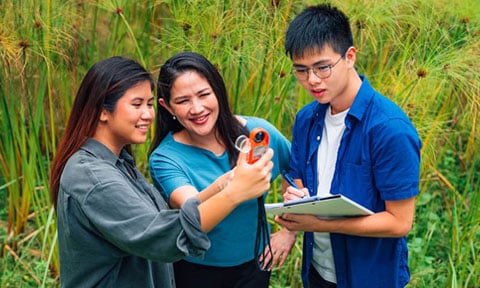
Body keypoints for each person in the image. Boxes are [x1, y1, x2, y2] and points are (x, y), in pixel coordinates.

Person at [49, 56, 275, 288]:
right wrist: (235, 193)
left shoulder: (118, 164)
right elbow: (162, 236)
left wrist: (226, 183)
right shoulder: (94, 178)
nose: (148, 114)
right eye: (137, 104)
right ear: (102, 111)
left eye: (149, 104)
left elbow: (161, 219)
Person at [275, 4, 422, 288]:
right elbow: (296, 176)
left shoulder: (389, 129)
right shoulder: (307, 119)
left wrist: (320, 225)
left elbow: (399, 223)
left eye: (322, 67)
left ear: (350, 57)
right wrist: (295, 202)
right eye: (301, 70)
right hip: (318, 272)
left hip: (370, 277)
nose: (312, 80)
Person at [149, 51, 296, 288]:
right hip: (195, 270)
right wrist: (235, 182)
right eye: (183, 101)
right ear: (167, 107)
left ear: (218, 90)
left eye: (204, 94)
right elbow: (193, 213)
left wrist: (289, 229)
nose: (197, 108)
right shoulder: (165, 158)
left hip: (255, 266)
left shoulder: (257, 132)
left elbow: (295, 167)